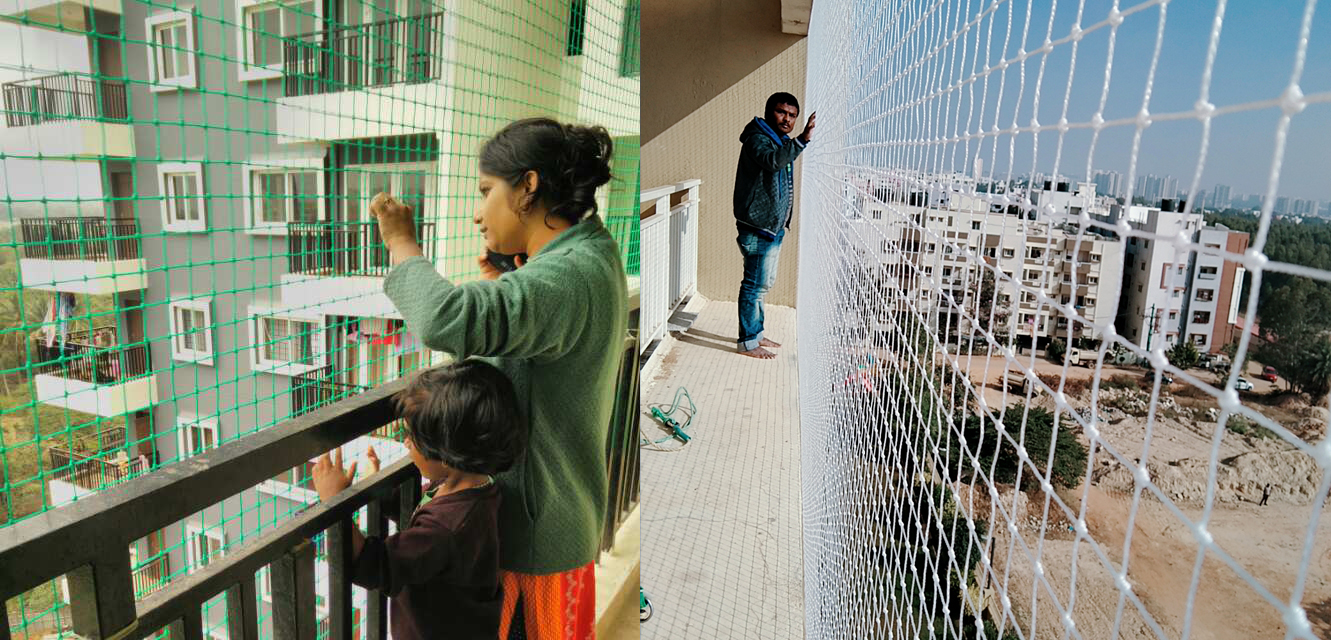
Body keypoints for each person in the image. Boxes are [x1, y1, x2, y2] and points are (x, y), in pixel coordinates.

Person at [370, 117, 627, 639]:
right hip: (556, 523)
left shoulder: (566, 276)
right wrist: (511, 279)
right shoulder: (591, 253)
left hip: (531, 541)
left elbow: (445, 318)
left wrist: (400, 242)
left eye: (487, 191)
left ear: (527, 187)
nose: (477, 213)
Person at [311, 361, 527, 640]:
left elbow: (375, 566)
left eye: (414, 437)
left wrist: (334, 503)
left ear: (447, 455)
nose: (407, 444)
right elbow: (423, 510)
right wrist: (375, 489)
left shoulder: (446, 528)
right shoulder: (478, 490)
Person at [733, 92, 816, 359]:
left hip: (771, 227)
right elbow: (773, 161)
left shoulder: (778, 140)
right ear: (770, 112)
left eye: (792, 116)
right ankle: (747, 342)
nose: (787, 119)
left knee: (762, 284)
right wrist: (802, 140)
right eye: (782, 112)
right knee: (754, 284)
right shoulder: (758, 139)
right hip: (758, 226)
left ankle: (755, 333)